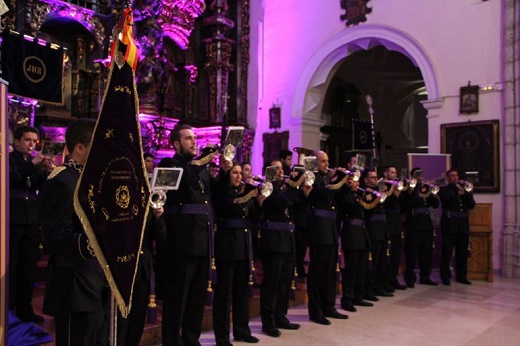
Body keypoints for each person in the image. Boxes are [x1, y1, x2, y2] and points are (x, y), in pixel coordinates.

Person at [38, 119, 110, 345]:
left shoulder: (92, 180)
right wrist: (93, 242)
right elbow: (54, 238)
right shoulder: (62, 181)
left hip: (97, 280)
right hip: (73, 283)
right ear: (80, 148)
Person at [158, 123, 213, 346]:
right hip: (180, 241)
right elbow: (183, 180)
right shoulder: (169, 164)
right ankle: (172, 341)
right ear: (176, 144)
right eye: (188, 138)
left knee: (197, 297)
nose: (194, 141)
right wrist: (202, 161)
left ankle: (191, 338)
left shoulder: (200, 169)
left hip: (202, 239)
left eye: (194, 137)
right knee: (177, 297)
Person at [212, 162, 264, 346]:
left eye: (240, 173)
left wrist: (258, 203)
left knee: (242, 292)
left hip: (243, 246)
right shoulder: (221, 192)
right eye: (235, 173)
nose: (238, 176)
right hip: (226, 246)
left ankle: (242, 330)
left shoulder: (246, 194)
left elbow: (254, 218)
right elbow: (229, 209)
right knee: (224, 294)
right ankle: (222, 336)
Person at [9, 125, 52, 323]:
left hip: (31, 220)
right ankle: (8, 310)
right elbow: (12, 179)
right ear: (17, 141)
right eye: (27, 140)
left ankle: (24, 309)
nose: (31, 144)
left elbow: (40, 189)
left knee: (28, 267)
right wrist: (33, 164)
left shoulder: (33, 163)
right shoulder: (8, 159)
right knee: (12, 266)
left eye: (34, 141)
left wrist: (47, 172)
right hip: (13, 220)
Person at [259, 159, 306, 337]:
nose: (280, 171)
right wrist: (294, 186)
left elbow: (299, 207)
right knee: (272, 283)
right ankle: (268, 321)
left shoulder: (285, 188)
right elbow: (281, 203)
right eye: (276, 168)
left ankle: (281, 316)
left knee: (285, 282)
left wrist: (302, 190)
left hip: (288, 240)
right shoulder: (267, 187)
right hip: (274, 240)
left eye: (281, 168)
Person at [305, 151, 349, 325]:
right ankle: (315, 311)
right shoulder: (312, 177)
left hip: (331, 228)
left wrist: (346, 183)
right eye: (323, 161)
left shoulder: (326, 179)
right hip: (318, 228)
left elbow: (339, 198)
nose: (326, 164)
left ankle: (329, 306)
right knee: (317, 272)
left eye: (328, 161)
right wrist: (336, 179)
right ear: (315, 163)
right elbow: (321, 194)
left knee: (331, 270)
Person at [117, 205, 166, 346]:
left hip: (142, 266)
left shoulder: (147, 205)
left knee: (137, 319)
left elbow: (161, 237)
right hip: (122, 264)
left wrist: (158, 217)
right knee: (121, 320)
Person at [337, 175, 373, 312]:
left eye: (357, 180)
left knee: (361, 267)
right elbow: (349, 208)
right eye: (353, 180)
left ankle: (358, 296)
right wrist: (350, 191)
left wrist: (372, 201)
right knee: (351, 269)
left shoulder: (360, 195)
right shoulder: (346, 196)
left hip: (362, 233)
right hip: (351, 232)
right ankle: (347, 298)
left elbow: (367, 214)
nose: (356, 183)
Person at [400, 168, 440, 288]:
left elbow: (435, 205)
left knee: (426, 252)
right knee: (412, 253)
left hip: (426, 223)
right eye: (418, 174)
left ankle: (425, 277)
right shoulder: (408, 189)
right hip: (414, 223)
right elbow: (406, 204)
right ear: (412, 176)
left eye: (422, 174)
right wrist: (414, 189)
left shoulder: (426, 188)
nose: (421, 176)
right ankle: (410, 279)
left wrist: (433, 194)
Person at [438, 169, 476, 286]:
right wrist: (455, 188)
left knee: (462, 252)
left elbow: (471, 205)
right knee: (447, 252)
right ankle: (445, 276)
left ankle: (461, 276)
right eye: (452, 176)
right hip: (450, 224)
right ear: (448, 178)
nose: (455, 178)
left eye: (456, 175)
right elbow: (446, 200)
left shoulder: (464, 189)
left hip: (462, 225)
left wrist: (467, 193)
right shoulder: (444, 190)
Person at [361, 168, 393, 301]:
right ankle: (369, 289)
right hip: (372, 230)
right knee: (371, 263)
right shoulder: (365, 193)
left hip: (382, 229)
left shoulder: (378, 191)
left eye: (376, 177)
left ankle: (379, 286)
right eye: (372, 177)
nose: (375, 179)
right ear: (366, 180)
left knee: (381, 262)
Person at [382, 166, 407, 290]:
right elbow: (384, 203)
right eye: (392, 172)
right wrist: (393, 192)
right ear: (385, 173)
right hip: (388, 223)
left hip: (397, 223)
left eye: (395, 172)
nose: (394, 174)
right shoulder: (382, 185)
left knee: (397, 253)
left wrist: (400, 193)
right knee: (389, 254)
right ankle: (386, 281)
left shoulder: (397, 185)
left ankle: (393, 278)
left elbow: (403, 205)